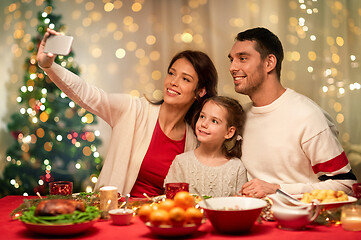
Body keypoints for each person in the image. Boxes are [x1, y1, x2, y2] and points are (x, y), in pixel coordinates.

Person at [37, 28, 218, 197]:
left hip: (157, 222)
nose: (173, 82)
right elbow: (88, 93)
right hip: (115, 216)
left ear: (200, 92)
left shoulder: (194, 140)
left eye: (185, 79)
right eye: (172, 73)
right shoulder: (132, 110)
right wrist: (49, 66)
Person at [228, 27, 357, 198]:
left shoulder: (308, 116)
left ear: (269, 63)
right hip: (251, 220)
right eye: (231, 60)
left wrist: (278, 189)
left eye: (242, 59)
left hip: (301, 222)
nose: (232, 67)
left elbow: (346, 185)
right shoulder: (239, 117)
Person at [164, 96, 247, 197]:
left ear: (229, 132)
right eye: (202, 116)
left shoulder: (236, 168)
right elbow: (172, 202)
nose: (204, 124)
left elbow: (240, 206)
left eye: (214, 121)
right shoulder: (181, 162)